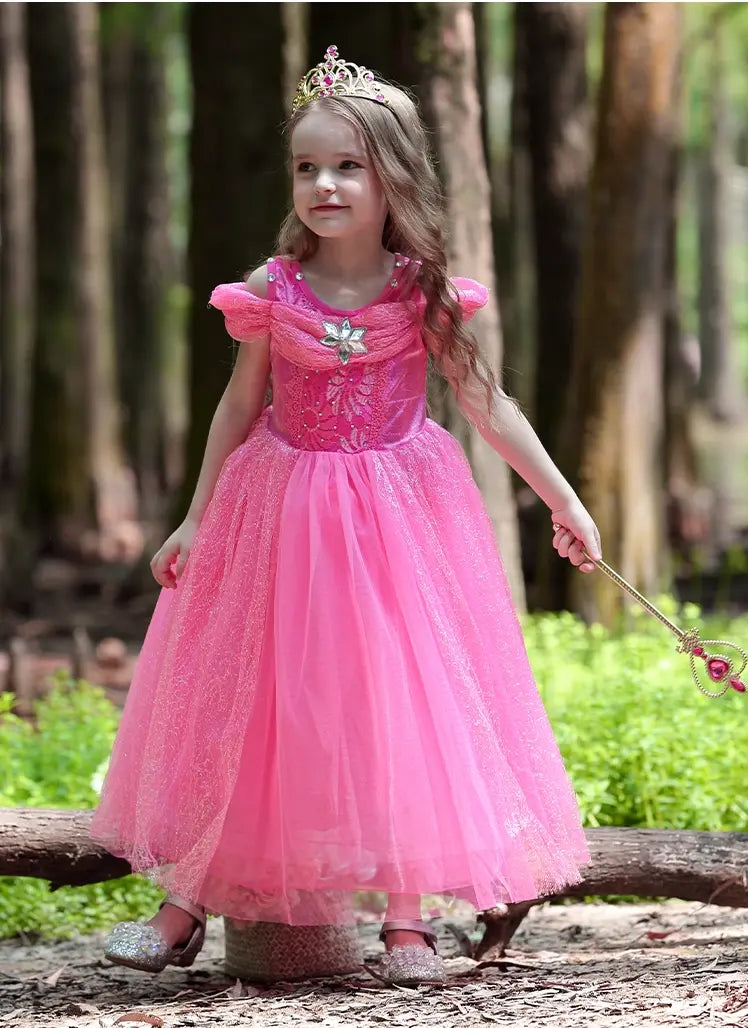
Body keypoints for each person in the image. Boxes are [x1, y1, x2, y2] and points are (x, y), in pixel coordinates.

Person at [92, 45, 602, 987]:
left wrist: (565, 503)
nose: (324, 184)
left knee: (395, 698)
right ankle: (184, 903)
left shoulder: (420, 290)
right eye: (307, 166)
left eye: (347, 165)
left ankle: (406, 918)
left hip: (398, 521)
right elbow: (240, 406)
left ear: (392, 176)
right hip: (279, 508)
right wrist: (195, 518)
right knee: (255, 694)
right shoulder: (274, 286)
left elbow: (486, 404)